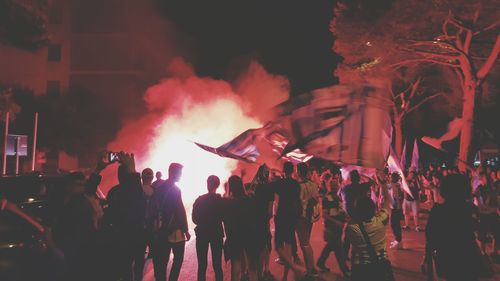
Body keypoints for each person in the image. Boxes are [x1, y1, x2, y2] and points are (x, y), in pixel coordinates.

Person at [425, 174, 482, 281]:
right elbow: (478, 230)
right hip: (468, 256)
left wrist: (427, 260)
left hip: (447, 256)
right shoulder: (470, 208)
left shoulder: (438, 210)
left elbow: (430, 238)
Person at [105, 152, 145, 281]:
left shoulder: (113, 191)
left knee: (123, 269)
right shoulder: (134, 191)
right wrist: (132, 170)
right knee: (135, 267)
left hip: (119, 236)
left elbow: (109, 213)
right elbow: (139, 204)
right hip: (134, 236)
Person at [346, 177, 395, 281]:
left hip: (361, 268)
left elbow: (349, 244)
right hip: (382, 264)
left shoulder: (353, 227)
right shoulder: (381, 220)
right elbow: (386, 203)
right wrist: (384, 185)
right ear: (373, 209)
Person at [151, 163, 190, 281]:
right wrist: (186, 230)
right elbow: (179, 211)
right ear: (173, 173)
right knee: (178, 259)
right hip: (174, 231)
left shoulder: (159, 188)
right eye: (180, 173)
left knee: (162, 262)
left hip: (161, 230)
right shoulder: (175, 190)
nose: (181, 175)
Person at [222, 175, 257, 281]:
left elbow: (224, 219)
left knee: (235, 265)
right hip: (248, 233)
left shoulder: (227, 202)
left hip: (234, 235)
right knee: (252, 266)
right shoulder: (248, 200)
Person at [272, 162, 302, 281]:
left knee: (278, 246)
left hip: (281, 215)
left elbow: (276, 200)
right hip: (292, 216)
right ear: (293, 170)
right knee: (289, 246)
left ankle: (295, 269)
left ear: (283, 170)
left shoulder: (279, 183)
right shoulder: (296, 184)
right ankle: (284, 277)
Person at [316, 173, 350, 277]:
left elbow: (341, 211)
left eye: (336, 185)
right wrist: (336, 222)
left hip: (338, 228)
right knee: (338, 249)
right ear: (329, 186)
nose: (334, 187)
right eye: (332, 185)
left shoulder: (338, 198)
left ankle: (321, 262)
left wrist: (346, 218)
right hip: (331, 228)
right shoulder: (327, 198)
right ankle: (345, 271)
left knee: (331, 246)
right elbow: (324, 215)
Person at [192, 175, 224, 281]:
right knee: (217, 265)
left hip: (202, 233)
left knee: (202, 265)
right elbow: (224, 217)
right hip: (216, 233)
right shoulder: (220, 200)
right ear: (217, 185)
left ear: (207, 184)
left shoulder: (199, 200)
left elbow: (194, 219)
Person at [250, 165, 275, 281]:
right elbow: (270, 212)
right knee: (265, 246)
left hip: (254, 222)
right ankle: (265, 270)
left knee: (257, 248)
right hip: (264, 223)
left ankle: (258, 274)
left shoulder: (254, 187)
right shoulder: (269, 188)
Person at [296, 162, 320, 277]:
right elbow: (316, 200)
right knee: (307, 243)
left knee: (304, 244)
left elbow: (297, 202)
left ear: (299, 172)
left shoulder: (298, 186)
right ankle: (313, 267)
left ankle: (309, 272)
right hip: (310, 217)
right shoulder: (313, 184)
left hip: (301, 217)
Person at [132, 168, 155, 281]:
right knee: (157, 259)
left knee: (139, 259)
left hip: (138, 228)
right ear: (152, 178)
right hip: (151, 229)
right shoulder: (155, 191)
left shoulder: (136, 190)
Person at [473, 172, 499, 256]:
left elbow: (496, 199)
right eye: (483, 178)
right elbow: (480, 204)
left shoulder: (493, 187)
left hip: (491, 213)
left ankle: (494, 252)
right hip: (484, 214)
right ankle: (483, 252)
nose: (485, 179)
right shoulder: (479, 189)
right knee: (482, 234)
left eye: (487, 177)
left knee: (495, 233)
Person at [388, 172, 404, 250]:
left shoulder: (396, 185)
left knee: (395, 224)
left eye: (391, 177)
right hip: (395, 208)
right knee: (395, 224)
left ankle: (399, 241)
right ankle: (398, 240)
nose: (390, 178)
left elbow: (398, 198)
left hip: (396, 208)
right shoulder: (395, 185)